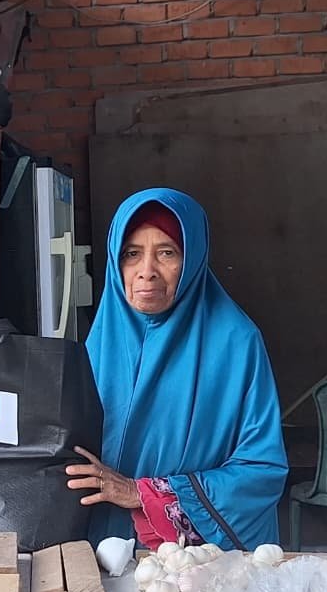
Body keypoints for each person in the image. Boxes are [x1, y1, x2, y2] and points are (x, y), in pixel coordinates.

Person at [66, 188, 287, 551]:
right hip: (99, 547)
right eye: (132, 254)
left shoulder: (235, 343)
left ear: (192, 259)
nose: (146, 272)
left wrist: (145, 493)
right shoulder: (101, 340)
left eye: (166, 253)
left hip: (191, 560)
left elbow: (262, 470)